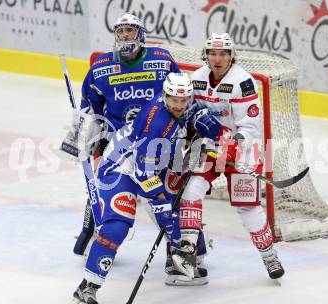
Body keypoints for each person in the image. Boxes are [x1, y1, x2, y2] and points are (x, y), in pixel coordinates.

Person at [72, 72, 223, 304]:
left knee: (177, 211)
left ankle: (180, 257)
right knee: (117, 227)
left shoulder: (181, 100)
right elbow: (144, 174)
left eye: (184, 100)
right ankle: (87, 287)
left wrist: (202, 117)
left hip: (156, 161)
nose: (180, 106)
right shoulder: (157, 123)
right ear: (165, 96)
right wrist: (160, 202)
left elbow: (193, 110)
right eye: (175, 100)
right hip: (121, 167)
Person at [167, 33, 285, 286]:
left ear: (232, 56)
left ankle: (269, 255)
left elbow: (251, 126)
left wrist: (230, 147)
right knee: (190, 192)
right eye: (212, 53)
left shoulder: (243, 82)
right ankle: (189, 253)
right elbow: (187, 111)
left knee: (248, 207)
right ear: (205, 55)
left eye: (223, 54)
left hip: (244, 149)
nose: (217, 59)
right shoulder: (197, 77)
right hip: (208, 146)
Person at [61, 12, 183, 255]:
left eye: (130, 30)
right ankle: (93, 234)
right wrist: (79, 136)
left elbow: (180, 95)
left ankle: (178, 249)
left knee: (164, 199)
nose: (125, 35)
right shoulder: (102, 66)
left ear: (141, 34)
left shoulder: (162, 59)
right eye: (120, 31)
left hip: (158, 144)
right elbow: (89, 107)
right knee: (107, 189)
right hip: (119, 145)